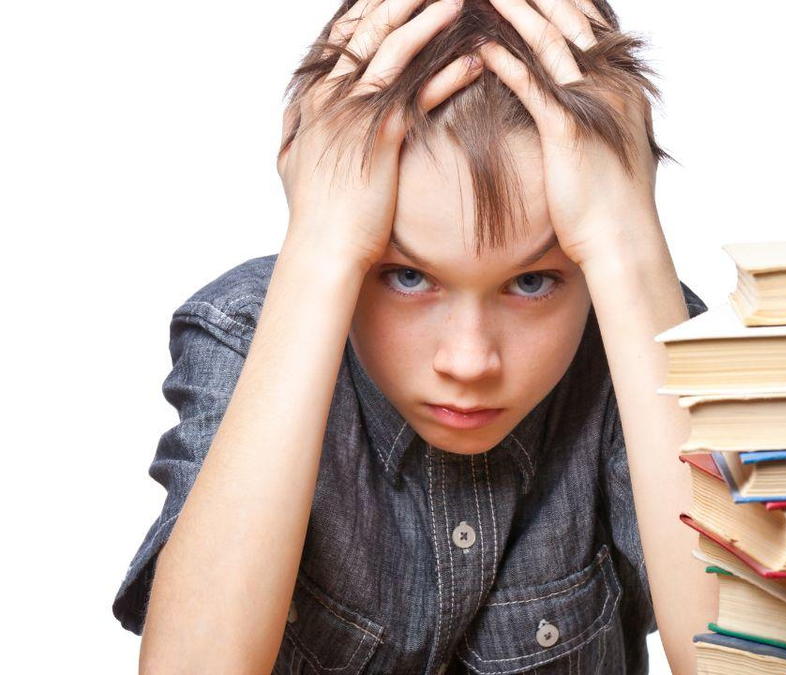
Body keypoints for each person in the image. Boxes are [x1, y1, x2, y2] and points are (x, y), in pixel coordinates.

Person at [110, 0, 716, 672]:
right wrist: (320, 246)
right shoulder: (245, 329)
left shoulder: (639, 333)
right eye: (404, 275)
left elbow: (745, 661)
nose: (468, 360)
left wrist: (626, 247)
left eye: (533, 282)